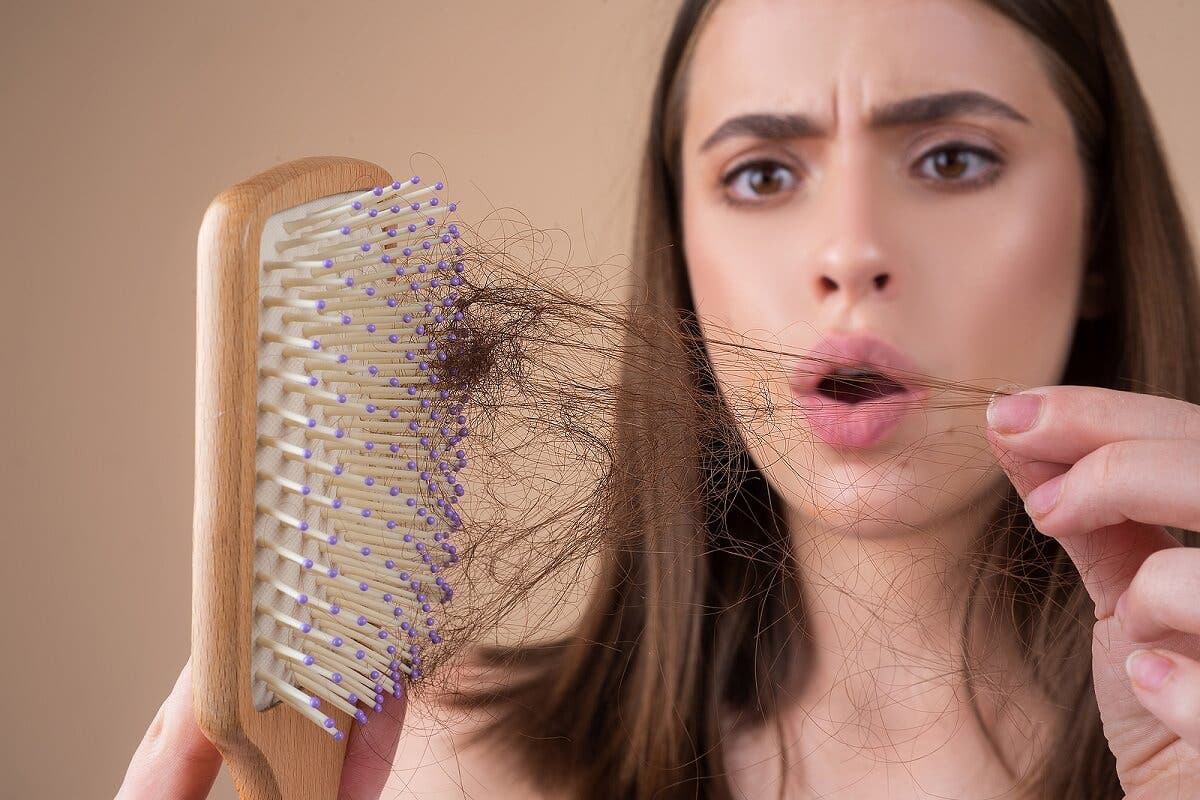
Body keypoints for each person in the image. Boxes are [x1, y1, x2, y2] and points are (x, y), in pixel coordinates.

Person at [117, 0, 1200, 797]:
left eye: (954, 157)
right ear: (680, 254)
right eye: (764, 174)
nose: (852, 251)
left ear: (1101, 231)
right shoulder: (430, 770)